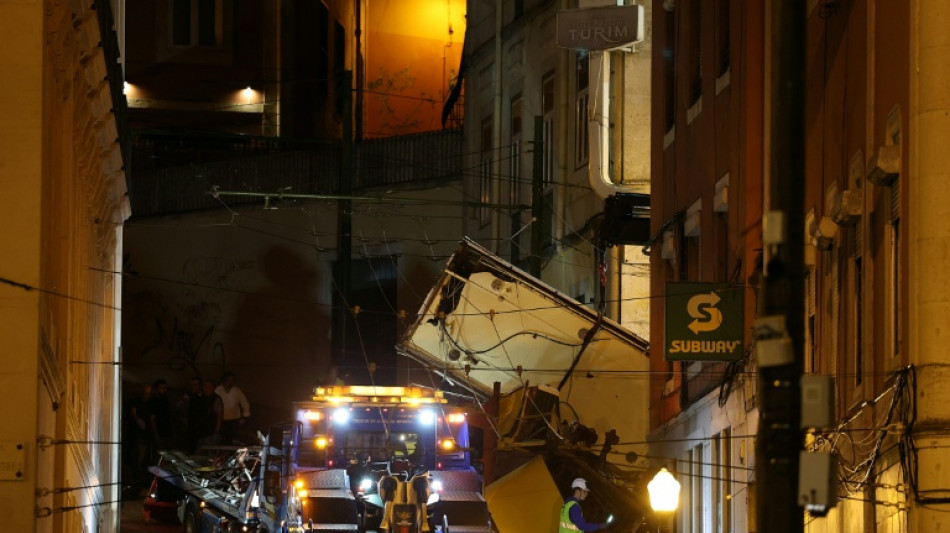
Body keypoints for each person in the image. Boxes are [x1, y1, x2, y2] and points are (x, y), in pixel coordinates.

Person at [215, 371, 250, 444]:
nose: (230, 382)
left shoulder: (236, 391)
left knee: (232, 440)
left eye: (232, 380)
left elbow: (245, 403)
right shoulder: (218, 390)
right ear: (224, 380)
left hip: (233, 420)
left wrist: (244, 417)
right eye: (228, 380)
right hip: (221, 420)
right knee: (221, 440)